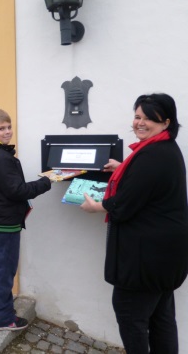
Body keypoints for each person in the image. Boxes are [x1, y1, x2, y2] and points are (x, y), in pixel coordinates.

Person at [81, 93, 188, 354]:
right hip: (163, 259)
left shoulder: (153, 155)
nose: (140, 123)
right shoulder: (162, 148)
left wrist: (97, 207)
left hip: (144, 262)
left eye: (149, 118)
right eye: (138, 116)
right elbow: (147, 183)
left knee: (131, 318)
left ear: (166, 122)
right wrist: (122, 167)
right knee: (161, 319)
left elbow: (125, 204)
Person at [0, 107, 52, 331]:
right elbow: (17, 190)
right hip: (4, 221)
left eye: (9, 127)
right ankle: (1, 318)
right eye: (1, 128)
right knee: (4, 270)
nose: (7, 132)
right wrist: (47, 181)